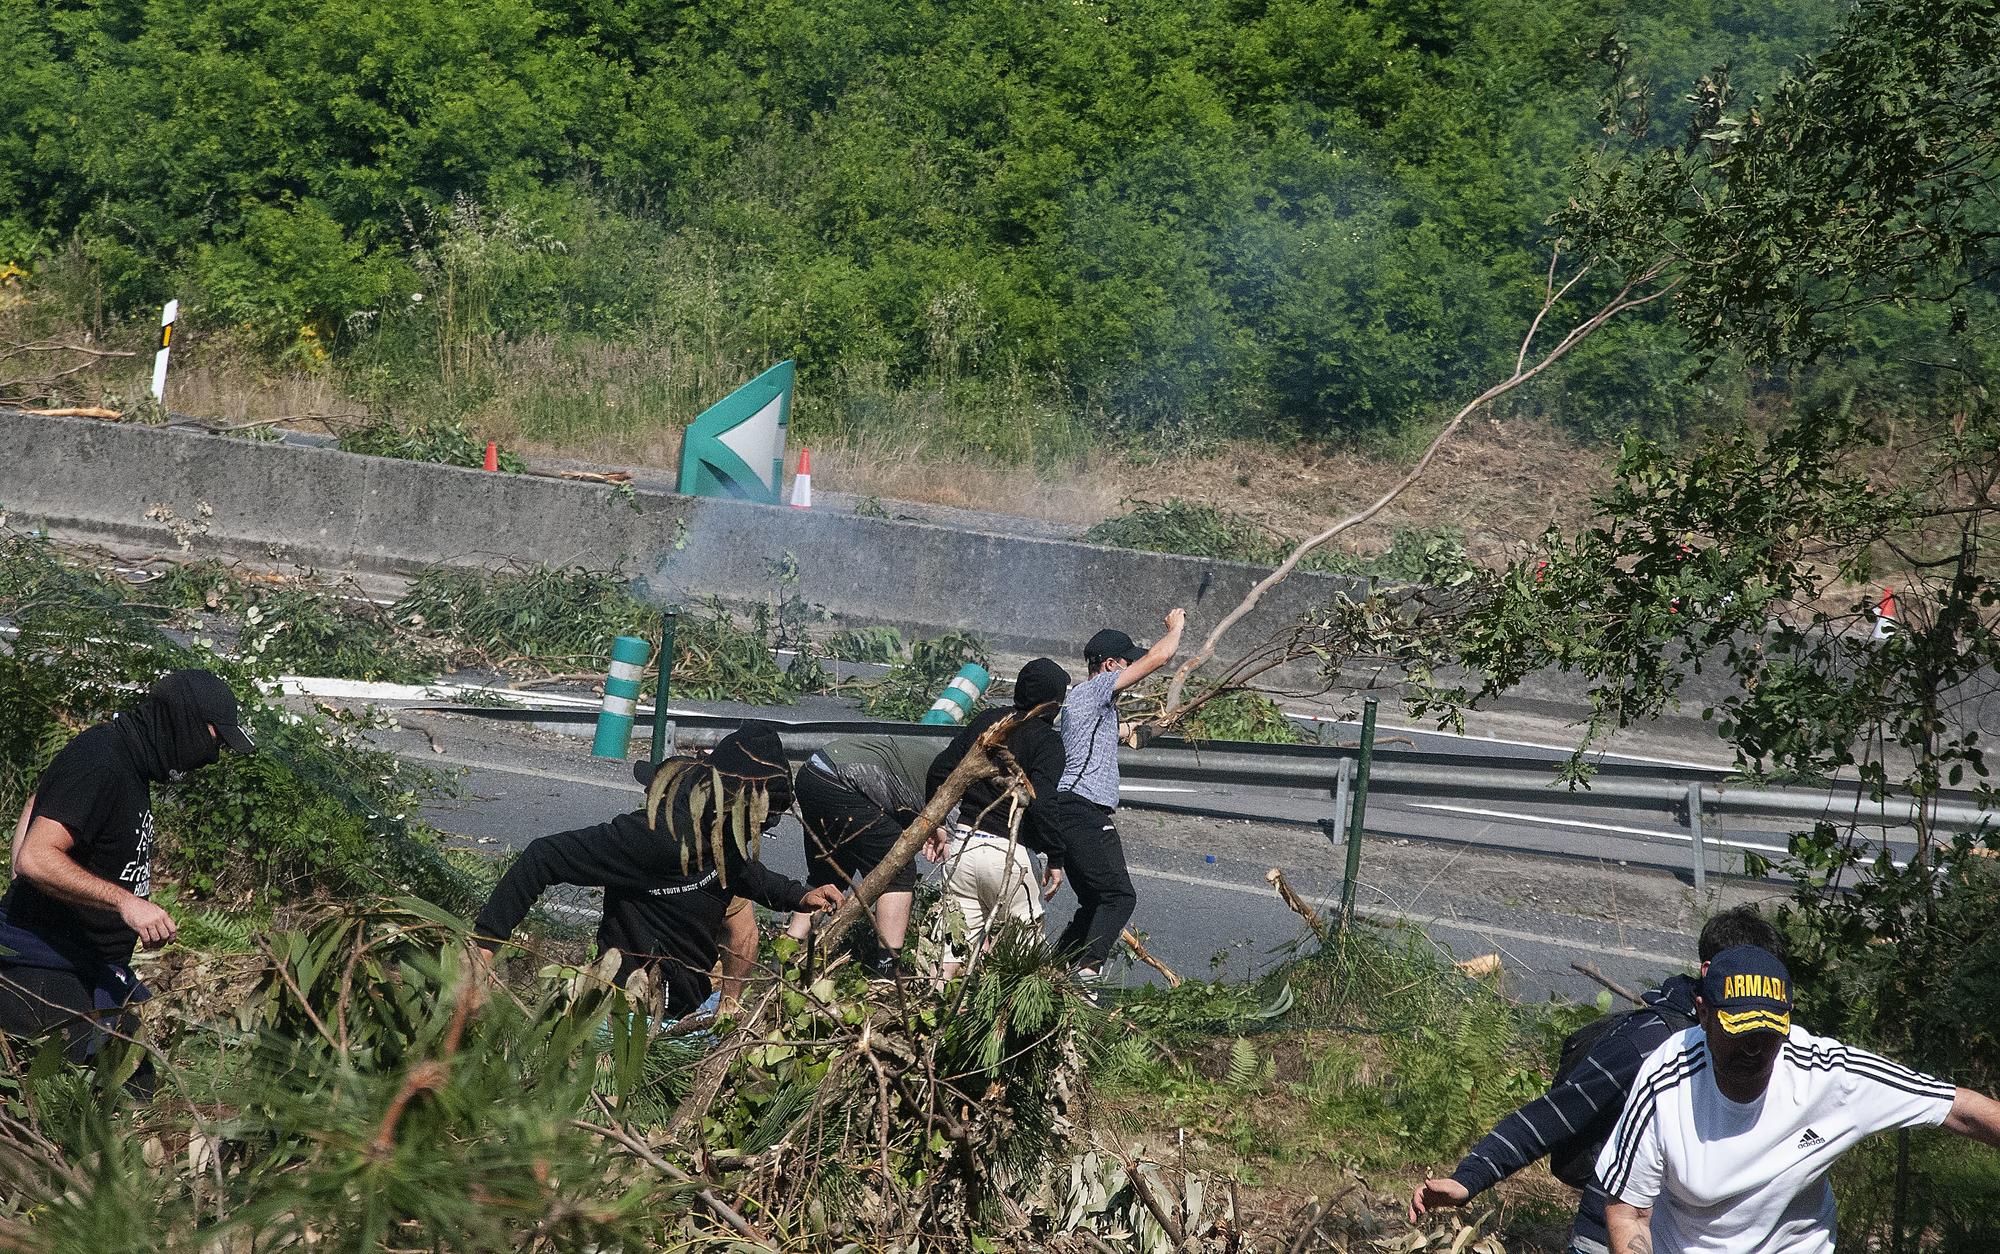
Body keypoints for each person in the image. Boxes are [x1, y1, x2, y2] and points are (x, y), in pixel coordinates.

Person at [1408, 906, 1785, 1253]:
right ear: (1708, 973)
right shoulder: (1649, 1042)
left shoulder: (1776, 1048)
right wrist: (1469, 1179)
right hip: (1608, 1234)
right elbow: (1556, 1113)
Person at [1597, 946, 2000, 1254]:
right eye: (1739, 1033)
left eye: (1769, 1034)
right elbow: (1629, 1211)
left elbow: (1957, 1108)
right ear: (1704, 1014)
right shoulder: (1668, 1077)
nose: (1754, 1050)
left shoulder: (1830, 1075)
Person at [472, 724, 841, 1019]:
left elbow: (746, 873)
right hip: (625, 1009)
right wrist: (486, 945)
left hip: (685, 1010)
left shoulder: (725, 837)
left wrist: (799, 895)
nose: (765, 825)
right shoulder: (655, 838)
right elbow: (543, 856)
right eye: (765, 815)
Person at [0, 669, 255, 1080]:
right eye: (214, 740)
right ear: (184, 723)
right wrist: (125, 901)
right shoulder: (103, 759)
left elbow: (43, 797)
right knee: (119, 1093)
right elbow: (36, 857)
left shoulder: (122, 761)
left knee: (134, 1076)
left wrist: (22, 868)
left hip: (85, 966)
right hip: (43, 965)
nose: (213, 757)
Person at [1051, 609, 1184, 985]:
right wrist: (1177, 628)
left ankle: (1053, 972)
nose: (1131, 667)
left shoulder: (1087, 705)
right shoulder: (1094, 690)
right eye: (1127, 661)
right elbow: (1159, 657)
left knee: (1094, 902)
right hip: (1082, 810)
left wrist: (1150, 727)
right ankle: (1087, 974)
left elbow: (1112, 734)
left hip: (1071, 811)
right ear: (1109, 665)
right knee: (1119, 897)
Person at [924, 658, 1070, 977]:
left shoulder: (987, 721)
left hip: (962, 848)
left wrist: (934, 824)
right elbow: (1042, 802)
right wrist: (1056, 857)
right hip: (1007, 855)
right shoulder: (1047, 741)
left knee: (949, 955)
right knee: (1024, 965)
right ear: (1052, 703)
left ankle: (932, 1016)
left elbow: (939, 769)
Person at [784, 733, 937, 977]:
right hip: (841, 780)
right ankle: (887, 972)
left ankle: (785, 954)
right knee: (898, 871)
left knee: (830, 870)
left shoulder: (944, 761)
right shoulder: (966, 788)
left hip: (813, 771)